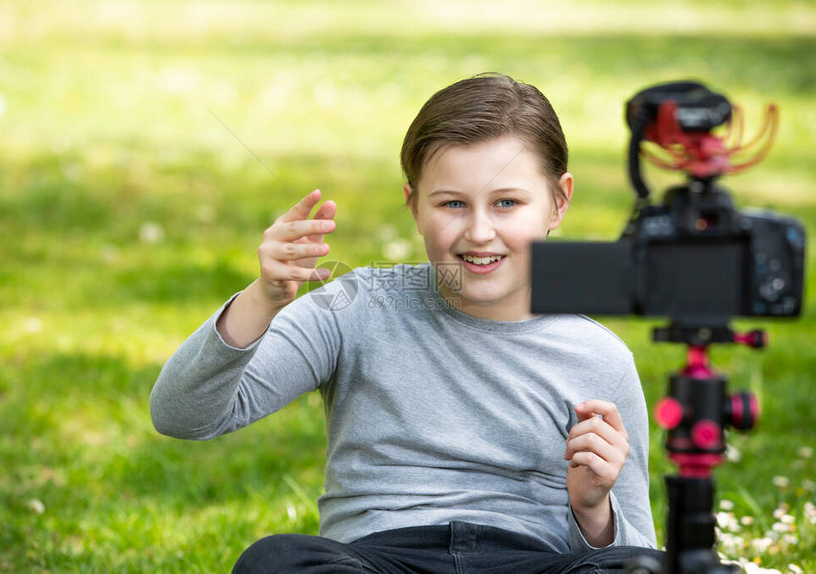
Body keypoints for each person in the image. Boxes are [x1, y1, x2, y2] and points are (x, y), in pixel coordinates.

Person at [150, 72, 664, 573]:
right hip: (377, 557)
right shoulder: (354, 307)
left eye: (507, 203)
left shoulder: (598, 357)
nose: (480, 232)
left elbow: (637, 548)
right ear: (414, 206)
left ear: (558, 201)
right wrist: (261, 299)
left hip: (533, 559)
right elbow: (182, 414)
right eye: (452, 204)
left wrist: (594, 512)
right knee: (277, 559)